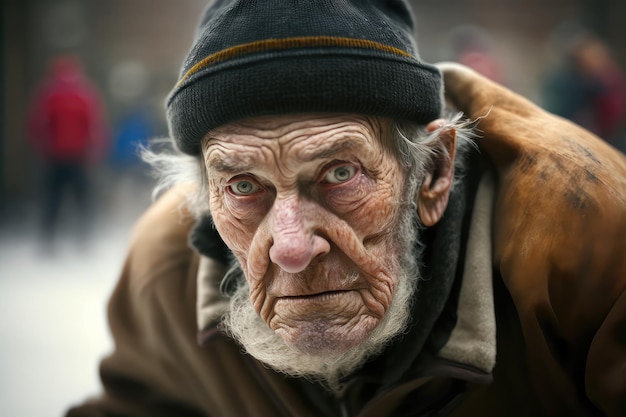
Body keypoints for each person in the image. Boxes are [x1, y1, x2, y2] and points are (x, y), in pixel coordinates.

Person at [65, 1, 626, 416]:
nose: (290, 247)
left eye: (340, 174)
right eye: (242, 186)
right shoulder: (166, 266)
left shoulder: (591, 245)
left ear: (430, 175)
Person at [27, 54, 108, 248]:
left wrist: (42, 148)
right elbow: (94, 125)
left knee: (52, 199)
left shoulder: (49, 93)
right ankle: (84, 238)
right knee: (82, 199)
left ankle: (48, 239)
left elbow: (37, 125)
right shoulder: (85, 93)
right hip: (78, 157)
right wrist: (95, 151)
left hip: (54, 157)